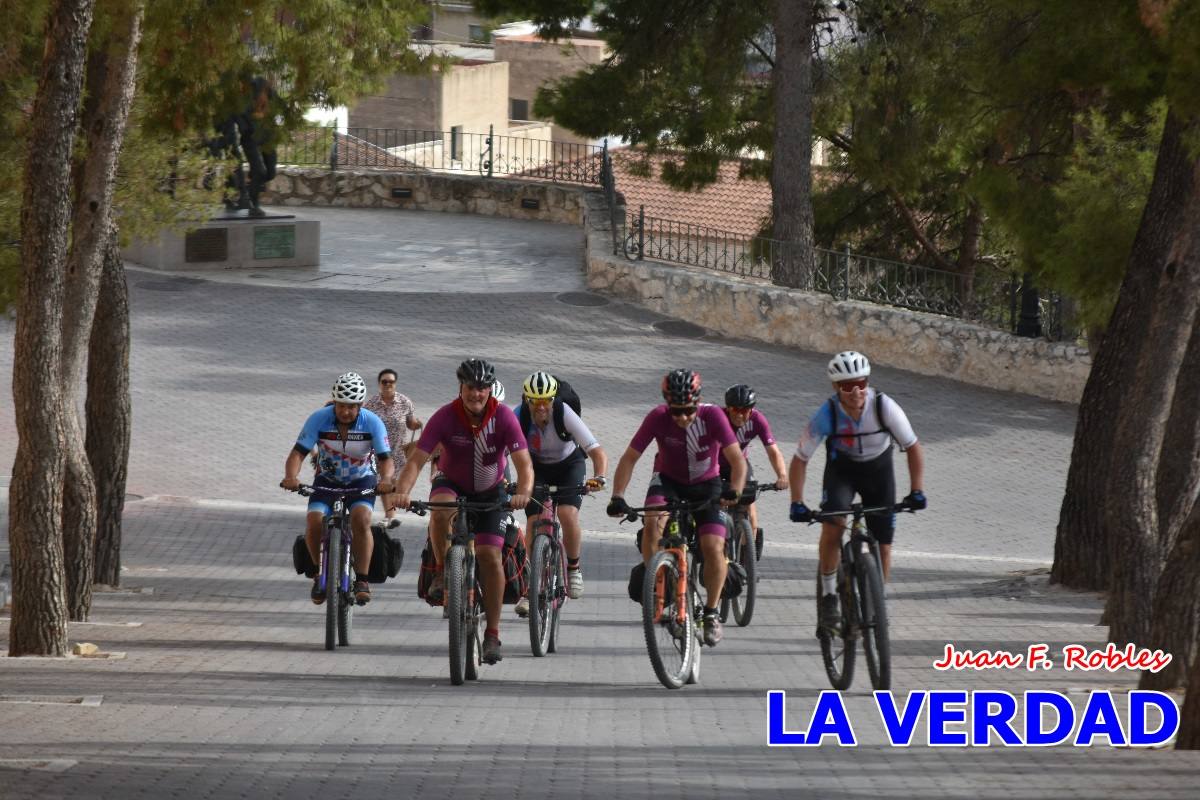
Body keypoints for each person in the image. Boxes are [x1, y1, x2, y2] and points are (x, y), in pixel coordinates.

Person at [382, 359, 533, 665]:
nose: (476, 394)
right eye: (470, 388)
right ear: (460, 388)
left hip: (492, 491)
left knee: (491, 556)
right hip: (451, 481)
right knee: (440, 509)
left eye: (482, 388)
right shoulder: (445, 416)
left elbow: (524, 463)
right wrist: (403, 492)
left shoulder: (503, 417)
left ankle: (492, 634)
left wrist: (523, 493)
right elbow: (416, 461)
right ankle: (441, 572)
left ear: (489, 390)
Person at [606, 369, 746, 647]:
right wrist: (617, 496)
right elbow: (630, 457)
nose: (682, 418)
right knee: (651, 525)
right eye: (676, 411)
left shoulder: (713, 416)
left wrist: (736, 490)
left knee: (713, 546)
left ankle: (711, 613)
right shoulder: (658, 417)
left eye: (687, 411)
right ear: (668, 405)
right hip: (668, 482)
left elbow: (737, 460)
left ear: (698, 402)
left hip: (708, 484)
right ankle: (656, 586)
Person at [788, 351, 926, 630]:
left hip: (879, 473)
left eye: (861, 383)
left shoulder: (883, 406)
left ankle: (877, 599)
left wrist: (916, 490)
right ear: (835, 388)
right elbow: (800, 459)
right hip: (843, 473)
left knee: (884, 545)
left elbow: (912, 447)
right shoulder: (827, 414)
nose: (855, 392)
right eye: (846, 386)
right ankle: (829, 596)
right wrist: (797, 502)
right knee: (833, 527)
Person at [280, 372, 392, 605]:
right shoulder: (318, 418)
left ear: (360, 404)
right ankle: (318, 573)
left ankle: (362, 579)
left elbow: (385, 459)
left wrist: (387, 479)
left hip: (361, 480)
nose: (345, 411)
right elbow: (298, 453)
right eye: (341, 405)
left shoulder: (372, 422)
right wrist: (291, 476)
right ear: (334, 401)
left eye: (351, 407)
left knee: (361, 520)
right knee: (314, 520)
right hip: (327, 480)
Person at [514, 371, 608, 618]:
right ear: (527, 400)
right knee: (533, 521)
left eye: (547, 400)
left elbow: (597, 452)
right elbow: (502, 452)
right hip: (537, 469)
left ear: (554, 399)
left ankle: (574, 568)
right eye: (536, 401)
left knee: (567, 513)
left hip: (569, 465)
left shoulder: (564, 412)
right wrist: (504, 481)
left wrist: (599, 477)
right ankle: (530, 586)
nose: (542, 406)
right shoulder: (518, 415)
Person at [719, 384, 788, 560]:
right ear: (728, 408)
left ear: (752, 409)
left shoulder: (757, 420)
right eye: (735, 409)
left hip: (739, 465)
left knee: (749, 506)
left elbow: (773, 451)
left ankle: (747, 559)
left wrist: (782, 475)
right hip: (715, 466)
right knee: (716, 504)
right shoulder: (718, 419)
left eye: (746, 410)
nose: (740, 414)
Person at [364, 368, 422, 529]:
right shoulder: (372, 403)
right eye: (384, 382)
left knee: (395, 484)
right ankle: (390, 516)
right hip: (380, 451)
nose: (388, 384)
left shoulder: (405, 402)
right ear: (379, 384)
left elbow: (410, 423)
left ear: (395, 384)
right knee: (384, 482)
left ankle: (391, 514)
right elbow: (365, 424)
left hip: (398, 450)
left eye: (391, 382)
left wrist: (416, 424)